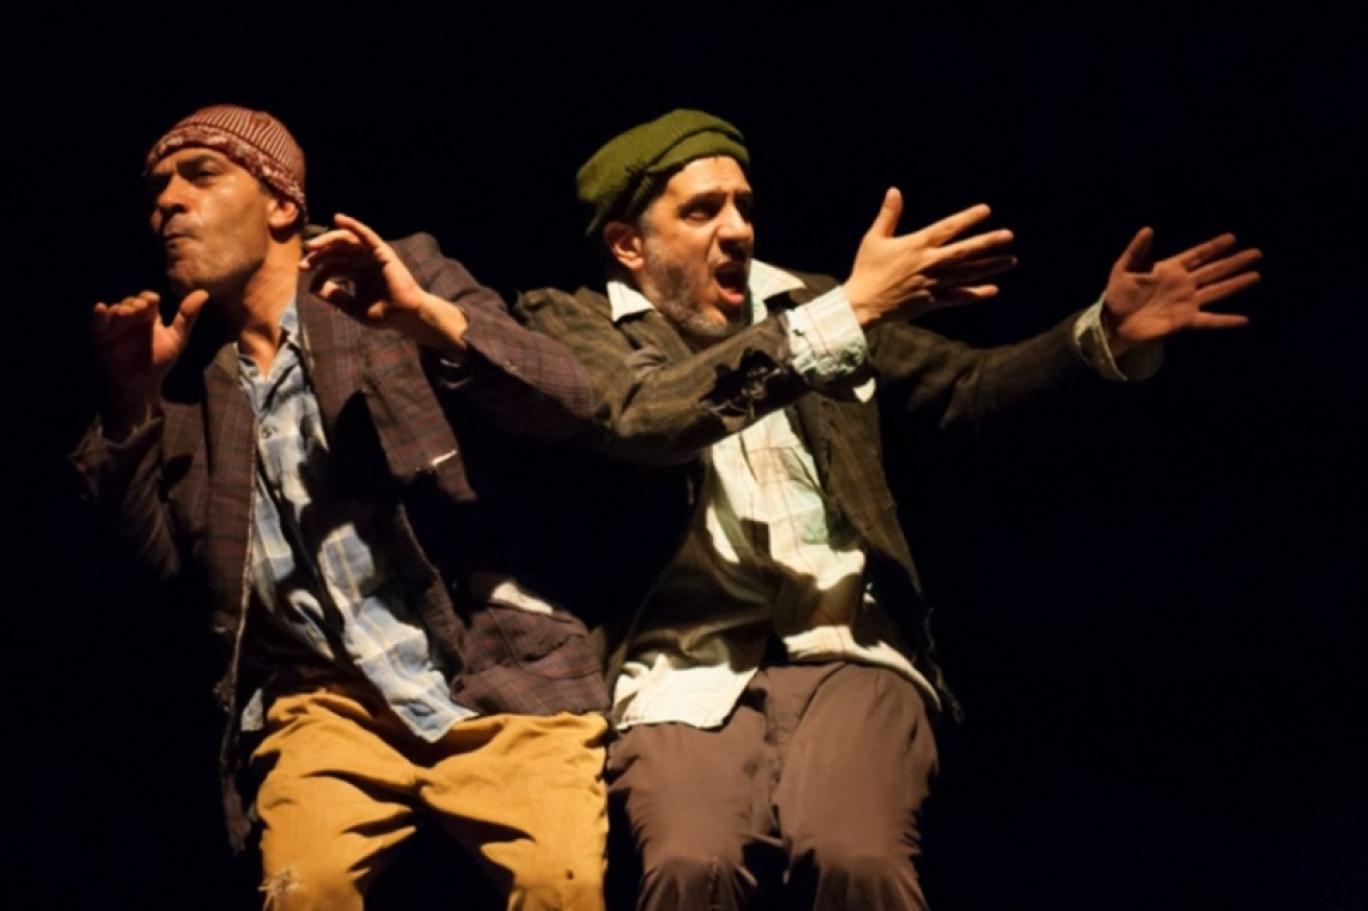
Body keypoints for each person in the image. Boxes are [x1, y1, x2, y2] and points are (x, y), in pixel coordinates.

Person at [513, 109, 1262, 911]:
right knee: (693, 864)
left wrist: (1099, 333)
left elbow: (967, 389)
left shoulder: (809, 301)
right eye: (702, 211)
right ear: (628, 244)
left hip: (850, 645)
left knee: (858, 858)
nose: (737, 230)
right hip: (677, 668)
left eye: (744, 205)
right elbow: (640, 415)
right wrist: (845, 315)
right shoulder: (570, 321)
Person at [71, 104, 609, 911]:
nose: (168, 203)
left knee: (560, 885)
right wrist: (129, 405)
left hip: (490, 668)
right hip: (326, 703)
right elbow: (163, 574)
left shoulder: (390, 279)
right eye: (156, 191)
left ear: (282, 204)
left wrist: (426, 319)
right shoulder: (193, 388)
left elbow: (572, 400)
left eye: (201, 175)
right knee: (303, 889)